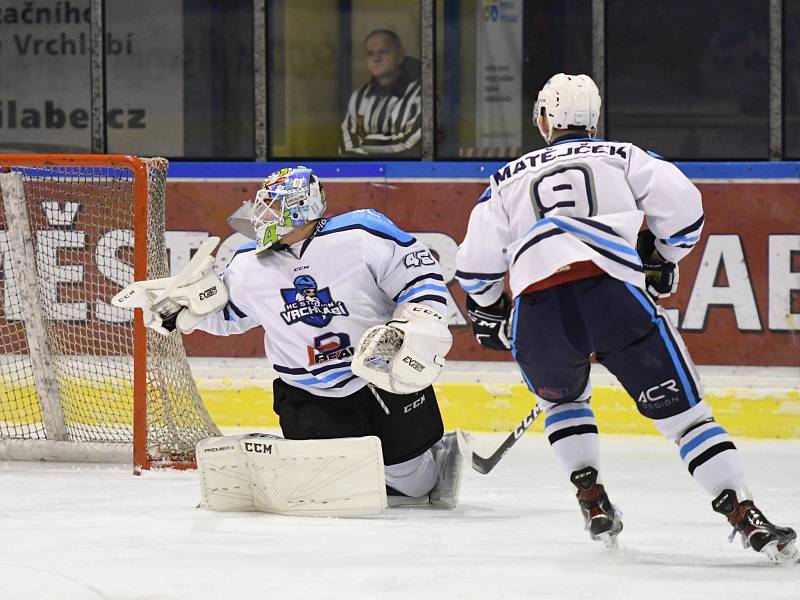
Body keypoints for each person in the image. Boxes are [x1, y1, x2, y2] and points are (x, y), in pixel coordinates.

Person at [455, 73, 797, 562]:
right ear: (593, 118)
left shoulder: (506, 179)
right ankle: (744, 514)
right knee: (687, 421)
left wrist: (489, 309)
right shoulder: (625, 155)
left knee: (563, 404)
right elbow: (685, 211)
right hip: (612, 298)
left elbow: (474, 268)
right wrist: (659, 256)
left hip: (538, 314)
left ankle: (590, 497)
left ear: (545, 118)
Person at [169, 166, 463, 508]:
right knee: (330, 486)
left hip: (380, 376)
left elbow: (420, 278)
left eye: (273, 207)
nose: (262, 215)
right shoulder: (247, 264)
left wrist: (418, 325)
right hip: (307, 392)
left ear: (300, 206)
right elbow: (230, 316)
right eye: (263, 206)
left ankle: (432, 459)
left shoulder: (360, 234)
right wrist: (185, 314)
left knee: (413, 485)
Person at [339, 29, 421, 157]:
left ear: (400, 55)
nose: (376, 58)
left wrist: (366, 142)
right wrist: (386, 144)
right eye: (370, 53)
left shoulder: (422, 94)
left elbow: (411, 144)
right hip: (363, 175)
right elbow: (346, 147)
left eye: (384, 52)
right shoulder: (359, 96)